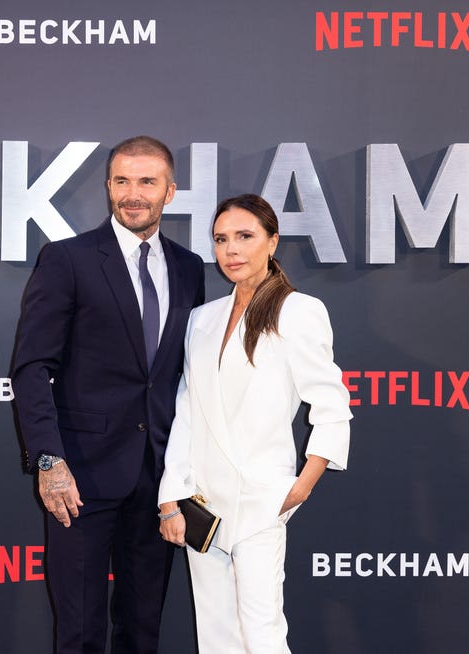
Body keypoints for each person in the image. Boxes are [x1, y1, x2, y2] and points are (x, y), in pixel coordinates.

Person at [11, 136, 206, 653]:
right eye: (122, 181)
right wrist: (49, 459)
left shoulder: (189, 267)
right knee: (80, 631)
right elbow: (32, 367)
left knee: (143, 630)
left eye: (147, 182)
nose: (133, 194)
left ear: (170, 190)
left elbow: (183, 374)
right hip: (81, 475)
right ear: (108, 187)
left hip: (159, 480)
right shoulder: (67, 259)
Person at [157, 194, 351, 653]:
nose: (232, 250)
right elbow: (187, 411)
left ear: (272, 241)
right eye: (221, 239)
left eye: (245, 237)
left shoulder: (298, 310)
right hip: (203, 503)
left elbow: (331, 403)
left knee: (262, 633)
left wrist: (302, 484)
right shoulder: (202, 320)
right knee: (216, 634)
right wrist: (171, 497)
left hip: (262, 499)